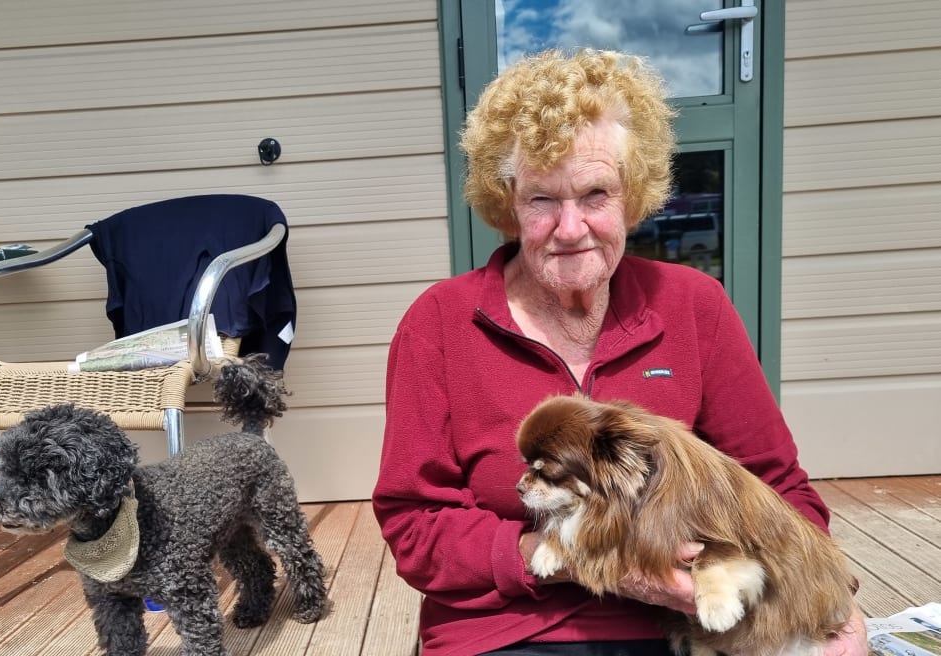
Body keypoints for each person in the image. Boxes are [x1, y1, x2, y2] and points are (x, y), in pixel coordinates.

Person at [371, 49, 867, 656]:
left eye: (595, 193)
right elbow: (412, 522)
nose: (571, 227)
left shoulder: (692, 305)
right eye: (542, 200)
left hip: (698, 620)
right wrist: (566, 557)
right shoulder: (440, 323)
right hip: (513, 624)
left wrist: (827, 602)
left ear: (634, 195)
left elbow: (778, 484)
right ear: (507, 202)